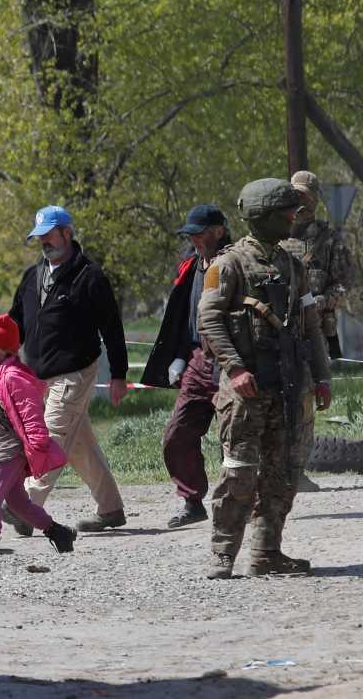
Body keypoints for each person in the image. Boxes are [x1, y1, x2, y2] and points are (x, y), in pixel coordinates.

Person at [199, 178, 332, 579]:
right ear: (264, 217)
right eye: (286, 212)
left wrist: (322, 377)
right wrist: (235, 368)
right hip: (247, 390)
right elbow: (209, 319)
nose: (295, 218)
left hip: (290, 386)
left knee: (283, 472)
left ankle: (266, 552)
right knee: (239, 471)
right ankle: (223, 553)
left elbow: (310, 326)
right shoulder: (229, 264)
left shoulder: (293, 266)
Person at [8, 205, 128, 533]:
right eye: (40, 236)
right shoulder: (32, 276)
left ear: (67, 233)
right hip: (38, 375)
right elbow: (15, 320)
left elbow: (112, 329)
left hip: (76, 372)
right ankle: (111, 508)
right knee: (78, 444)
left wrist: (119, 375)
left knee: (49, 436)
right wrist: (0, 353)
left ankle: (25, 507)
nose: (45, 241)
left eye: (50, 234)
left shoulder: (90, 276)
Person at [142, 205, 232, 528]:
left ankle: (237, 505)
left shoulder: (236, 264)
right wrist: (180, 358)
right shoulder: (193, 266)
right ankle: (192, 500)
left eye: (199, 232)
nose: (194, 238)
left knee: (233, 438)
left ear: (218, 231)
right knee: (176, 435)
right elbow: (184, 319)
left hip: (231, 359)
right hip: (197, 359)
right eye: (191, 233)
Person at [0, 314, 75, 555]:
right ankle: (59, 532)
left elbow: (30, 412)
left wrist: (38, 441)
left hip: (11, 449)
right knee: (18, 503)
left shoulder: (14, 377)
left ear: (4, 349)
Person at [282, 170, 355, 494]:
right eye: (296, 196)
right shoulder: (276, 237)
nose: (301, 204)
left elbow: (346, 282)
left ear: (315, 199)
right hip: (278, 331)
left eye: (306, 197)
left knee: (306, 400)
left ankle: (297, 470)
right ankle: (275, 468)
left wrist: (325, 299)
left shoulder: (328, 241)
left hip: (314, 332)